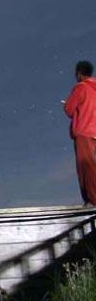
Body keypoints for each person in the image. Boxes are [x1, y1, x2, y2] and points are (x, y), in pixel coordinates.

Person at [64, 61, 96, 207]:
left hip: (85, 132)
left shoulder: (80, 87)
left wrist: (66, 104)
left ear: (78, 73)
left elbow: (70, 110)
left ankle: (92, 200)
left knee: (85, 166)